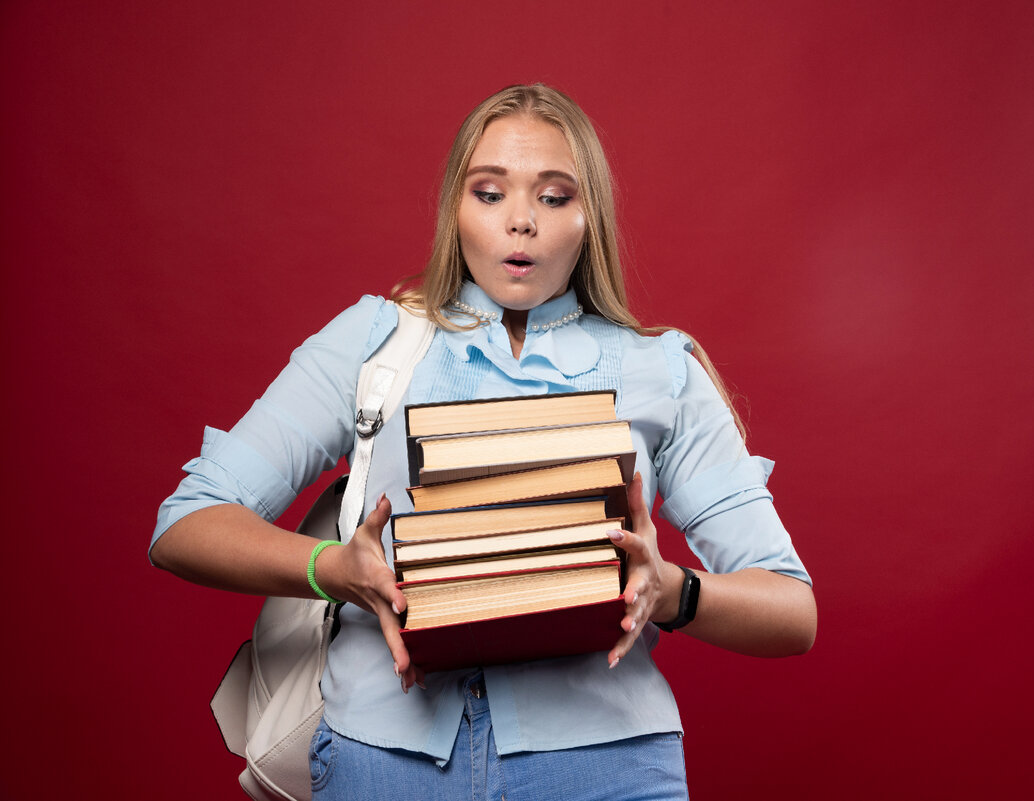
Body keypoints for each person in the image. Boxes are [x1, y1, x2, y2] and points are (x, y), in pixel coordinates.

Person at [151, 83, 816, 800]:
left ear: (591, 217)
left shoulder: (663, 369)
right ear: (454, 212)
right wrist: (334, 568)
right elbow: (185, 526)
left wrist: (672, 592)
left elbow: (791, 609)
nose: (521, 221)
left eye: (555, 196)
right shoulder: (373, 342)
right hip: (382, 761)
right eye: (490, 192)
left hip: (608, 768)